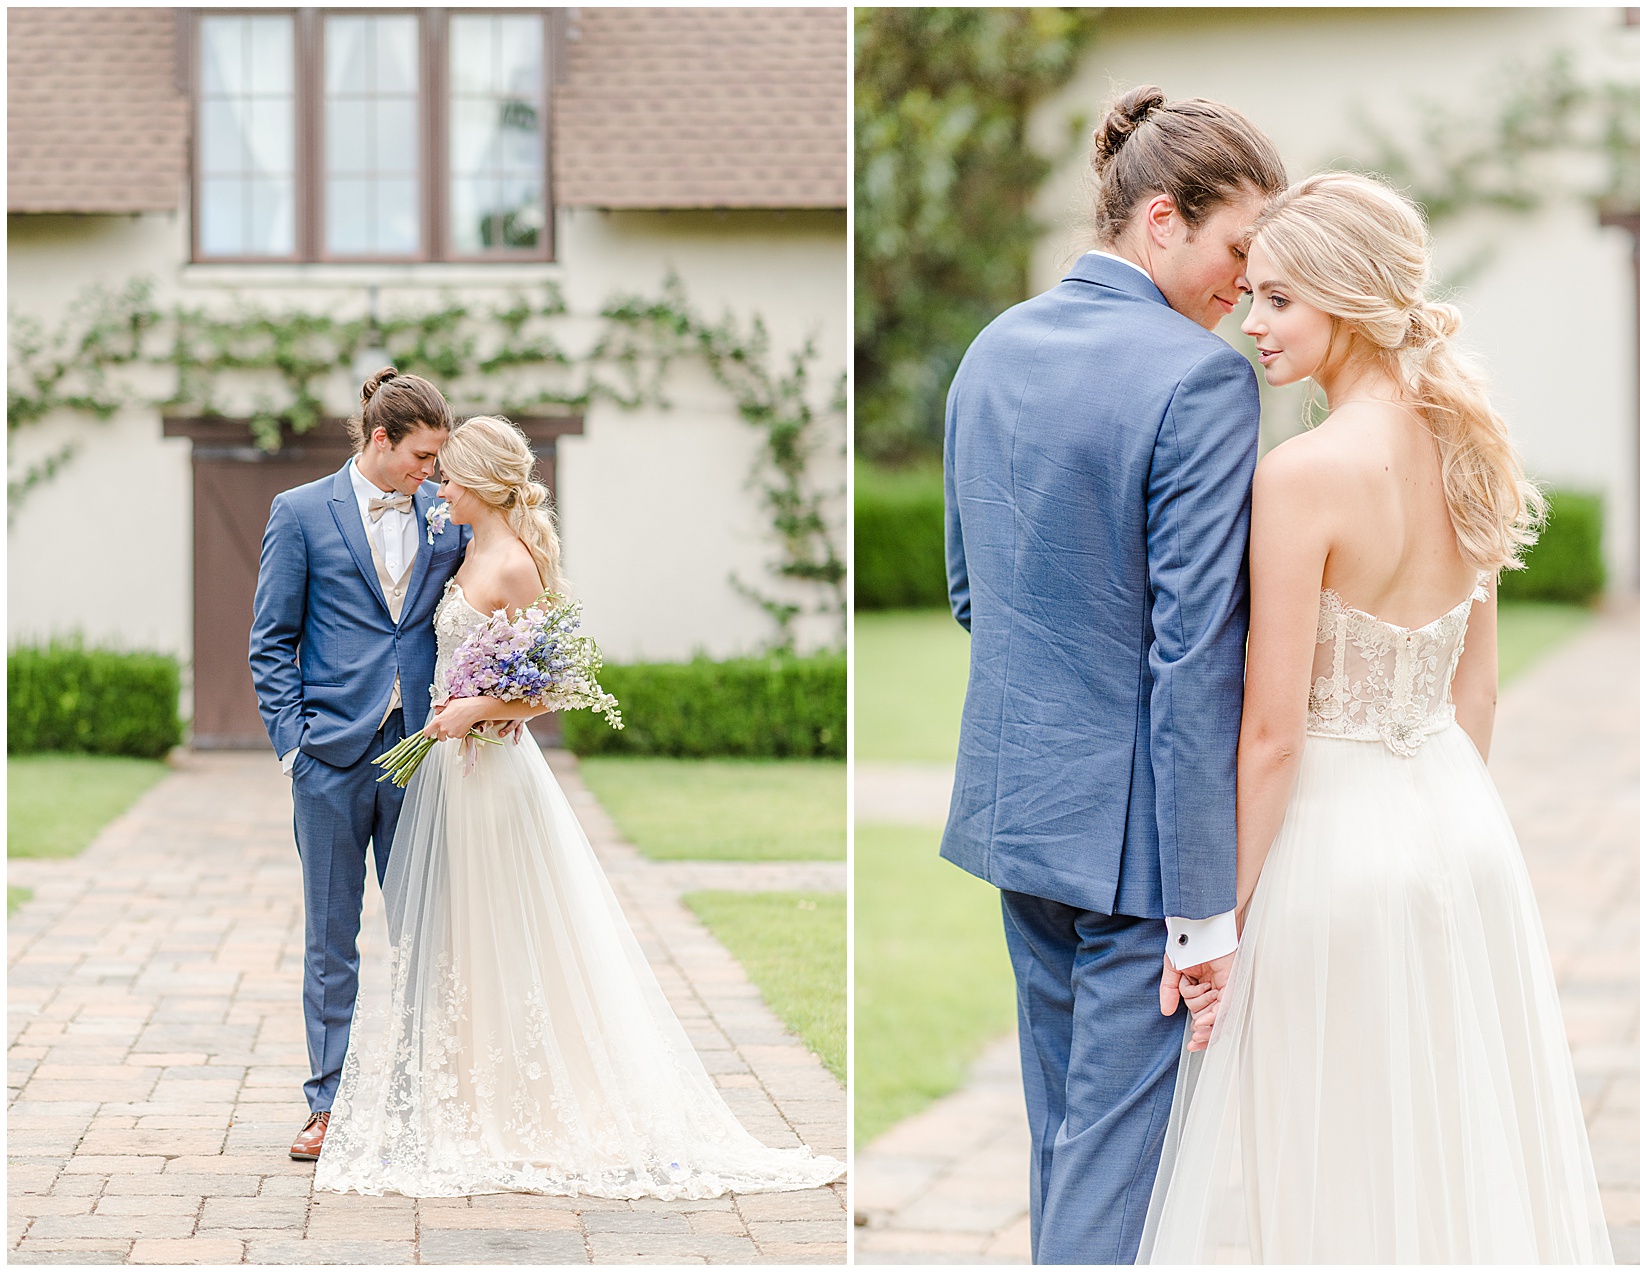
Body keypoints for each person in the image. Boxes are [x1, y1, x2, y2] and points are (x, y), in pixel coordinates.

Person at [1138, 172, 1614, 1263]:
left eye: (1278, 301)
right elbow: (1475, 693)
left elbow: (1269, 737)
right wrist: (1442, 826)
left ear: (1348, 303)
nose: (1250, 324)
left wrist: (1208, 923)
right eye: (1249, 295)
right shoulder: (1468, 449)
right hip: (1457, 832)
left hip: (1333, 848)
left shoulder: (1298, 475)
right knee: (1447, 1155)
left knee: (1325, 1169)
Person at [313, 414, 845, 1199]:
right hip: (449, 775)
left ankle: (526, 1107)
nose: (441, 488)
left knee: (502, 932)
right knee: (458, 940)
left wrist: (474, 710)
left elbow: (551, 687)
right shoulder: (463, 549)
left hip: (491, 773)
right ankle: (465, 1099)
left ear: (485, 484)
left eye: (452, 476)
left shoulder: (517, 565)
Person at [939, 86, 1286, 1263]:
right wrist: (1205, 904)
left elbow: (967, 592)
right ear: (1158, 220)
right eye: (1237, 248)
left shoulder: (992, 347)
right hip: (1136, 847)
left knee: (1061, 1140)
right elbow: (1193, 656)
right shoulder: (1200, 380)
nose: (1245, 283)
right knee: (1114, 1168)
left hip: (1014, 811)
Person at [251, 368, 471, 1162]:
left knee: (425, 931)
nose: (433, 472)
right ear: (381, 440)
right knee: (330, 937)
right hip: (329, 758)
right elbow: (271, 639)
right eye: (422, 455)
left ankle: (420, 1101)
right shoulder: (300, 512)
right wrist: (293, 745)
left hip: (419, 752)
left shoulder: (449, 521)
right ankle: (328, 1105)